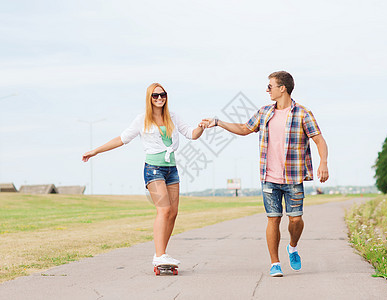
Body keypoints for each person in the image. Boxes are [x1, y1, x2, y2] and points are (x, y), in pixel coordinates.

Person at [204, 71, 329, 277]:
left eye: (270, 86)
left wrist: (323, 162)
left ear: (283, 88)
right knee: (273, 219)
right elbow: (245, 128)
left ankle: (293, 246)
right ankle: (275, 263)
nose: (267, 90)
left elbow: (319, 140)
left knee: (295, 220)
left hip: (293, 177)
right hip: (269, 178)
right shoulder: (264, 112)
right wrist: (218, 122)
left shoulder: (303, 114)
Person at [82, 83, 208, 267]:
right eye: (155, 96)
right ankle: (159, 255)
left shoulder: (173, 117)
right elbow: (122, 139)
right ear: (149, 98)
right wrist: (95, 151)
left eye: (162, 95)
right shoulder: (142, 119)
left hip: (171, 169)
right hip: (153, 168)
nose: (159, 98)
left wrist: (201, 127)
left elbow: (191, 134)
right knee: (163, 210)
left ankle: (162, 254)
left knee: (173, 213)